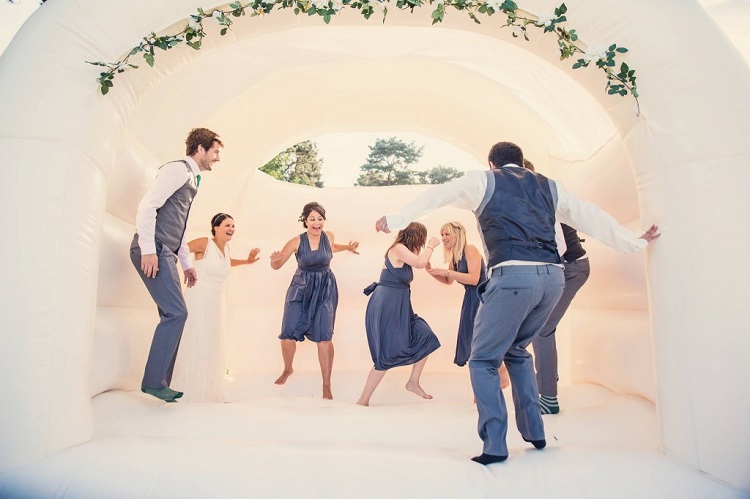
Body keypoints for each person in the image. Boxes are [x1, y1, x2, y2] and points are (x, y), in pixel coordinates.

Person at [375, 141, 660, 464]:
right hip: (553, 279)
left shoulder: (483, 181)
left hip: (513, 277)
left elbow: (437, 194)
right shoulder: (550, 186)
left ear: (492, 163)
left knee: (482, 360)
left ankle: (495, 445)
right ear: (522, 163)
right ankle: (535, 431)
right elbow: (588, 215)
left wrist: (397, 217)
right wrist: (631, 241)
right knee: (517, 350)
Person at [130, 128, 224, 402]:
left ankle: (158, 381)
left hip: (165, 252)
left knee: (174, 314)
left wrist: (186, 264)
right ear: (200, 149)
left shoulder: (192, 178)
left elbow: (179, 227)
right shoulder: (176, 170)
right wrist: (148, 250)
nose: (217, 158)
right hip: (153, 250)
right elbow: (147, 207)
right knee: (176, 313)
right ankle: (154, 382)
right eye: (215, 152)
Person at [269, 202, 359, 400]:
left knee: (324, 337)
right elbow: (276, 266)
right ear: (305, 221)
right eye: (312, 219)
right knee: (287, 334)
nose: (316, 223)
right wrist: (274, 259)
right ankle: (288, 369)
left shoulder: (329, 236)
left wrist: (348, 247)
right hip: (301, 288)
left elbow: (332, 247)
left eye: (320, 219)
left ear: (324, 220)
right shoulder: (296, 241)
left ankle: (326, 385)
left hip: (325, 288)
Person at [523, 159, 590, 415]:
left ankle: (548, 397)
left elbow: (558, 248)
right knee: (537, 327)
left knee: (542, 329)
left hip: (571, 268)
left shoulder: (544, 198)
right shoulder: (533, 200)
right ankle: (547, 381)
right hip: (562, 268)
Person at [172, 213, 261, 402]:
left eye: (233, 226)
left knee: (209, 341)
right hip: (198, 299)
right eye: (228, 225)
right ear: (216, 227)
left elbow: (225, 264)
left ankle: (206, 387)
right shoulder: (205, 243)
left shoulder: (226, 249)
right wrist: (187, 268)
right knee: (196, 340)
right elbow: (179, 248)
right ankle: (187, 388)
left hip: (213, 302)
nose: (231, 229)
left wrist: (247, 261)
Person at [357, 222, 442, 407]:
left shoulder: (404, 252)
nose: (422, 243)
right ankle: (363, 400)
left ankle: (413, 382)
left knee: (426, 335)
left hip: (400, 304)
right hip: (387, 304)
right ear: (415, 237)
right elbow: (419, 263)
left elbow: (418, 262)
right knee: (385, 355)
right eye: (422, 239)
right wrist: (431, 246)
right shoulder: (398, 248)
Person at [426, 222, 510, 390]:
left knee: (480, 342)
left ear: (457, 235)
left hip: (481, 297)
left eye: (447, 234)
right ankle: (485, 384)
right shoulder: (454, 258)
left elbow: (473, 279)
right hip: (470, 300)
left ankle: (502, 373)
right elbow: (449, 281)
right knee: (473, 344)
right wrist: (432, 272)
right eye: (442, 235)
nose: (443, 238)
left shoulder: (470, 249)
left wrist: (447, 272)